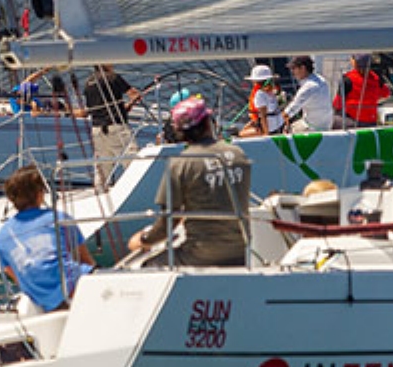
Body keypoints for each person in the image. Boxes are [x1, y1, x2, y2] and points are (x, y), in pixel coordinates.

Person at [128, 96, 251, 267]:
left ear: (179, 131)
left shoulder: (180, 164)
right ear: (208, 123)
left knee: (144, 267)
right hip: (243, 251)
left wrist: (143, 239)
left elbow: (168, 223)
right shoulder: (238, 155)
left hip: (200, 254)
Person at [0, 165, 93, 312]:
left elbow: (16, 277)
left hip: (45, 302)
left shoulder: (2, 237)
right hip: (76, 287)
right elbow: (85, 260)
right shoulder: (58, 219)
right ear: (39, 194)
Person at [333, 54, 391, 128]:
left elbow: (337, 104)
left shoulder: (347, 79)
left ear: (354, 62)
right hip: (371, 123)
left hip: (353, 122)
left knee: (332, 119)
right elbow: (386, 93)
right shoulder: (376, 78)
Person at [281, 55, 333, 131]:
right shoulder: (321, 80)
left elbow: (291, 110)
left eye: (294, 68)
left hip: (313, 127)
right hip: (326, 124)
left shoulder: (308, 87)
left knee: (287, 131)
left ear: (303, 68)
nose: (292, 72)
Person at [238, 64, 284, 137]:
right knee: (244, 129)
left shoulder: (260, 94)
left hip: (271, 128)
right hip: (279, 124)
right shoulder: (272, 91)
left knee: (240, 134)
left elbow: (263, 116)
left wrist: (266, 134)